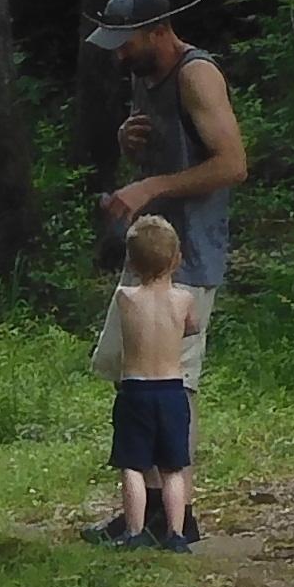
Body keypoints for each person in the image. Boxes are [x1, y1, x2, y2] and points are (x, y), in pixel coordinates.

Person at [83, 0, 245, 544]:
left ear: (158, 30)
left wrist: (151, 185)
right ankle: (146, 512)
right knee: (130, 373)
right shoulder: (142, 74)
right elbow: (162, 144)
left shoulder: (197, 75)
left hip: (189, 255)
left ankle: (179, 518)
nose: (117, 55)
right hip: (147, 247)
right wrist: (128, 142)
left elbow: (232, 165)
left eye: (125, 43)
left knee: (175, 384)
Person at [96, 212, 205, 548]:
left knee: (133, 465)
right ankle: (176, 532)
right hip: (172, 390)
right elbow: (194, 326)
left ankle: (134, 530)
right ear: (178, 259)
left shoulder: (126, 299)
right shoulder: (184, 300)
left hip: (136, 391)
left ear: (131, 261)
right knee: (173, 466)